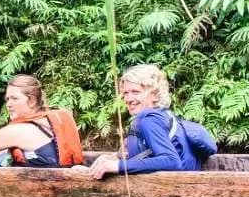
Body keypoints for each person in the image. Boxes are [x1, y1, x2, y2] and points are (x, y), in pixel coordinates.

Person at [86, 64, 216, 179]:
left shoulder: (148, 119)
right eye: (125, 93)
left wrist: (118, 166)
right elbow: (151, 155)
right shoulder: (164, 115)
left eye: (135, 92)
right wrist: (116, 158)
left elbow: (171, 161)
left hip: (175, 192)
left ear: (154, 94)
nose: (128, 98)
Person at [0, 74, 83, 168]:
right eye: (7, 99)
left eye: (14, 98)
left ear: (32, 101)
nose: (9, 104)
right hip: (58, 182)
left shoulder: (18, 131)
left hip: (46, 192)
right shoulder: (47, 121)